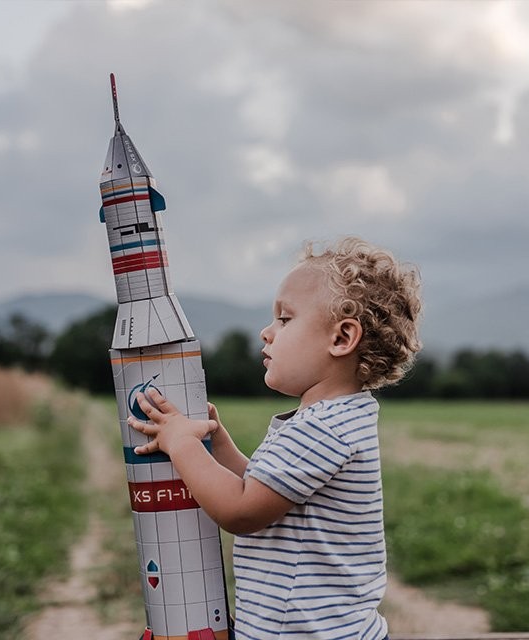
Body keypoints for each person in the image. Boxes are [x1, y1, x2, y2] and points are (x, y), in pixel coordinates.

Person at [127, 236, 422, 639]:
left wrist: (182, 444)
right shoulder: (334, 419)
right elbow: (268, 491)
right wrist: (217, 443)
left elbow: (242, 511)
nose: (266, 333)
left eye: (284, 319)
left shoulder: (323, 428)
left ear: (341, 338)